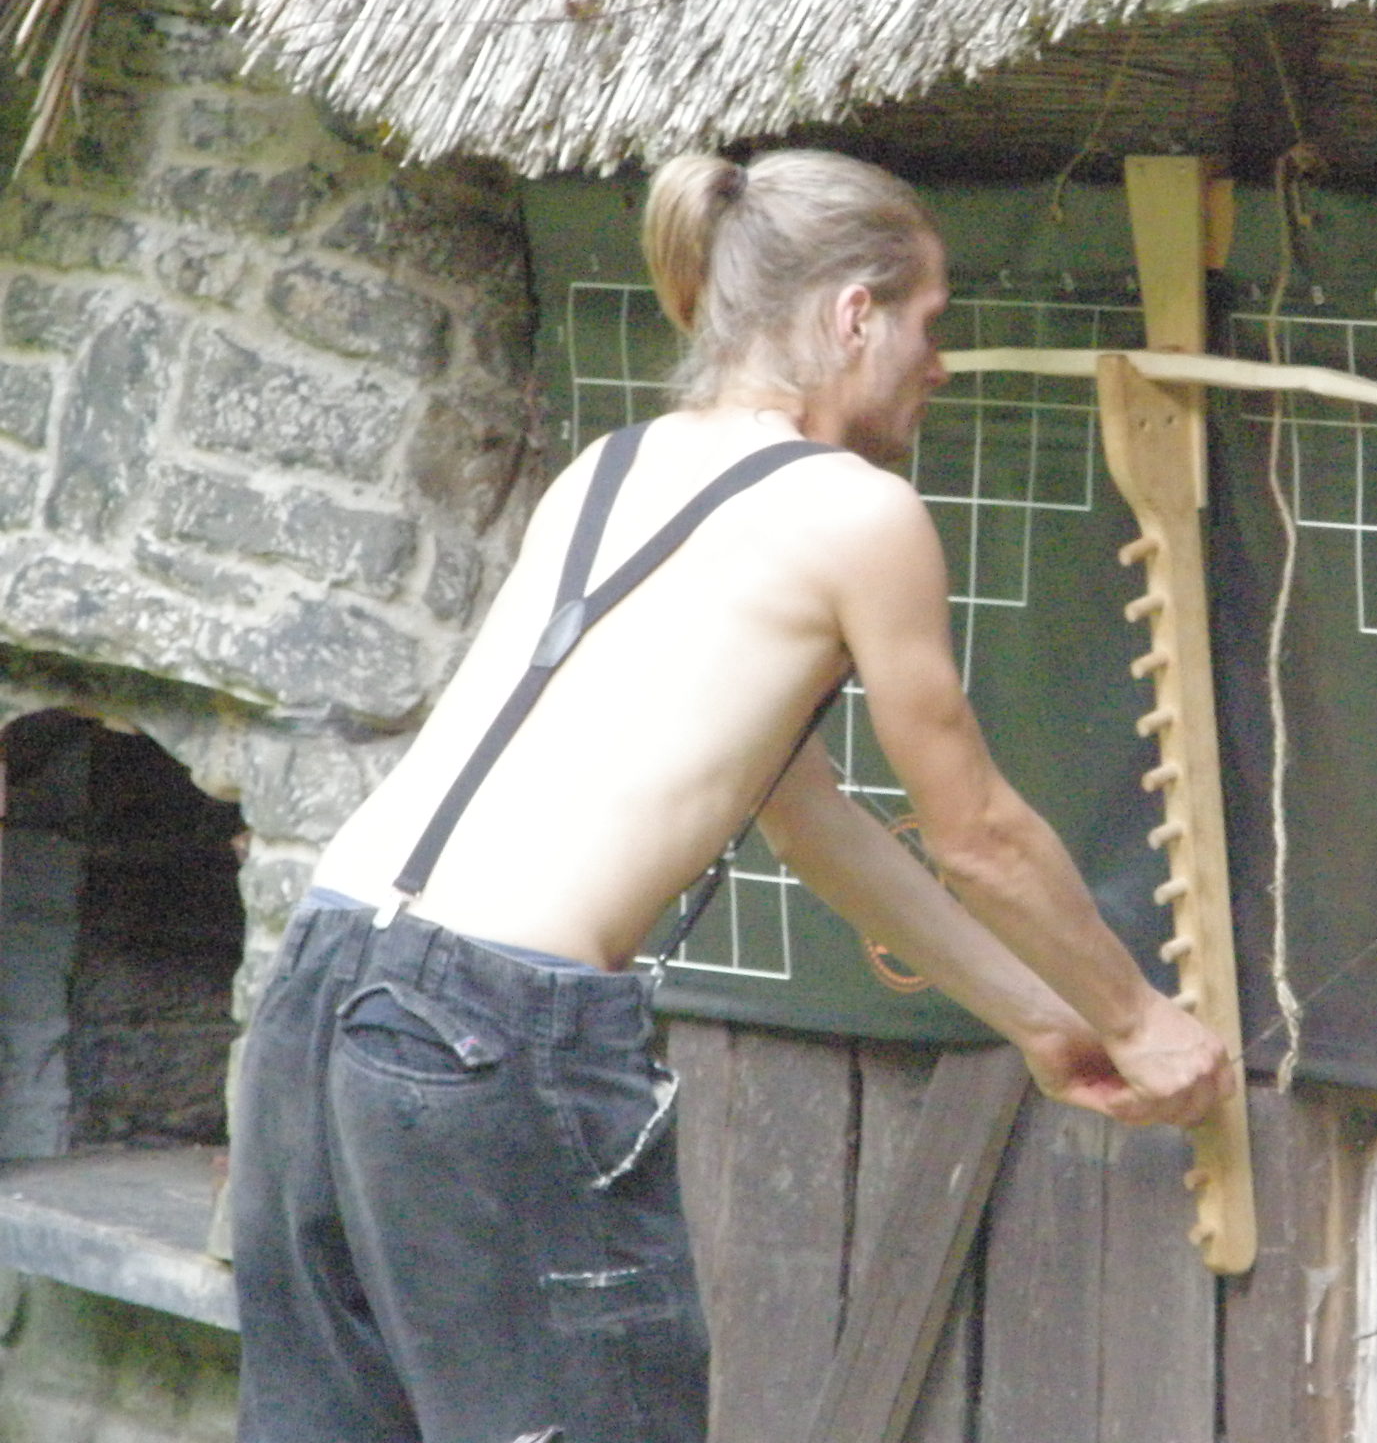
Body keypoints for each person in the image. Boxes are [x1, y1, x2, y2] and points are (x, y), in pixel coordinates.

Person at [230, 149, 1233, 1443]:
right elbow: (979, 835)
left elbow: (804, 811)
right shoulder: (859, 514)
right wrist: (1139, 1018)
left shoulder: (609, 469)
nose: (937, 366)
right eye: (929, 325)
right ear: (854, 315)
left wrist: (1040, 1020)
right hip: (491, 1033)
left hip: (322, 985)